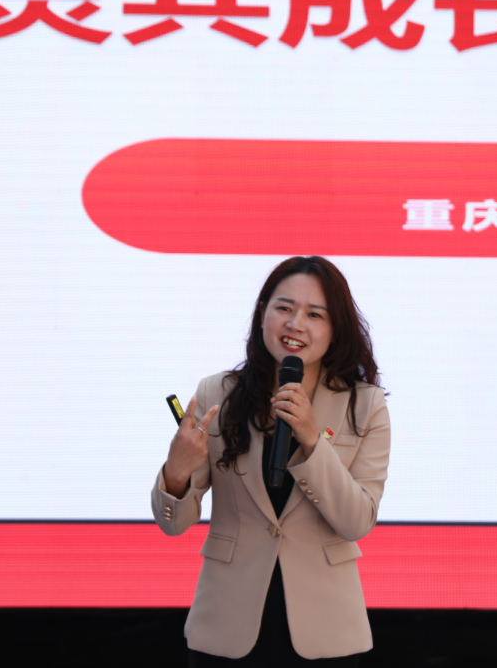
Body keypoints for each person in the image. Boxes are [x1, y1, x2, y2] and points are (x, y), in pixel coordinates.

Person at [152, 256, 390, 665]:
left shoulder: (364, 405)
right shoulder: (217, 395)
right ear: (262, 314)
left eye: (315, 314)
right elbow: (173, 524)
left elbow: (357, 522)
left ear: (334, 330)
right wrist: (177, 469)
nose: (295, 324)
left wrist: (311, 440)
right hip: (226, 625)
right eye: (284, 308)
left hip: (327, 630)